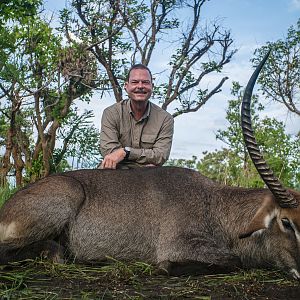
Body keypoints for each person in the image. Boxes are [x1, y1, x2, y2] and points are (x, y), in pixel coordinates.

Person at [99, 64, 174, 169]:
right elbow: (109, 152)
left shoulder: (165, 119)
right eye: (134, 82)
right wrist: (143, 162)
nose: (140, 86)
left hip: (149, 175)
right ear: (126, 86)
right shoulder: (111, 113)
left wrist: (126, 152)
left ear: (152, 86)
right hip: (116, 171)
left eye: (145, 82)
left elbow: (160, 155)